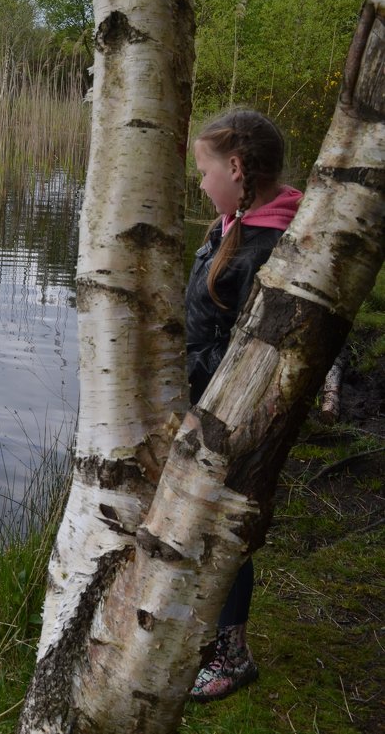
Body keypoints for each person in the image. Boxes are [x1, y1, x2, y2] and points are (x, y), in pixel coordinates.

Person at [185, 108, 302, 702]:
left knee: (224, 524)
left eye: (204, 169)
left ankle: (232, 655)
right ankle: (206, 632)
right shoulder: (232, 225)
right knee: (202, 518)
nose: (199, 181)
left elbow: (245, 354)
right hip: (205, 401)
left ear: (235, 167)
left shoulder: (266, 247)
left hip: (229, 413)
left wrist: (188, 388)